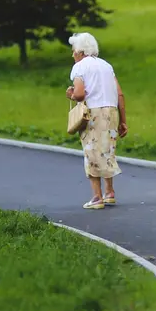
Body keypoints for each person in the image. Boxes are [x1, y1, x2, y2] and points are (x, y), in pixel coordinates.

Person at [65, 33, 129, 210]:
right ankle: (110, 192)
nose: (72, 55)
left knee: (91, 152)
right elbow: (120, 94)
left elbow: (79, 94)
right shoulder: (106, 66)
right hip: (111, 112)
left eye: (73, 51)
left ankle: (96, 197)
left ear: (80, 51)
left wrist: (71, 94)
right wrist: (123, 121)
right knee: (107, 151)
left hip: (93, 114)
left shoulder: (80, 67)